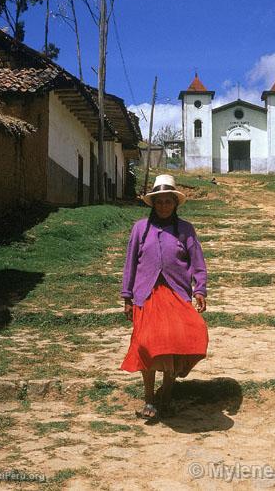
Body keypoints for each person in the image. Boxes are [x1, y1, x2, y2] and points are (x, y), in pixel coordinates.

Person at [120, 174, 208, 419]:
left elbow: (198, 263)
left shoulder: (186, 230)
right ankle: (149, 400)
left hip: (176, 295)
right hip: (145, 296)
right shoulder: (140, 229)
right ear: (153, 203)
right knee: (146, 346)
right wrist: (127, 297)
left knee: (174, 346)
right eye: (159, 201)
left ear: (175, 203)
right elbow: (130, 264)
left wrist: (200, 289)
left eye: (168, 201)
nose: (163, 206)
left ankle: (166, 397)